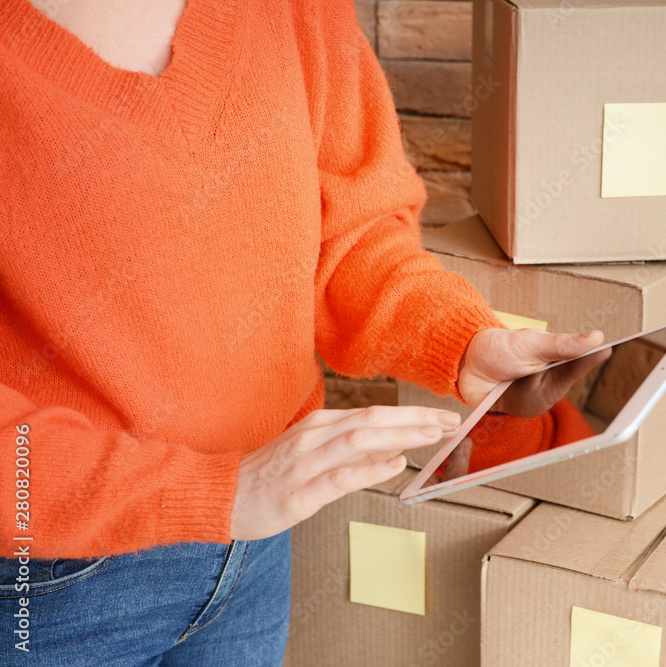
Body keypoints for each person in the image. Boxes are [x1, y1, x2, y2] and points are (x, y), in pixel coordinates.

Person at [0, 0, 603, 664]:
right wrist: (216, 492)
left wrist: (461, 340)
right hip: (51, 583)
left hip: (255, 552)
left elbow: (352, 234)